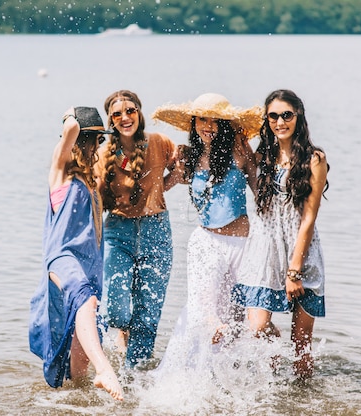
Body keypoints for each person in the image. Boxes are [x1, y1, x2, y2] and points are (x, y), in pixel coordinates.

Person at [151, 93, 262, 371]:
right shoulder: (188, 158)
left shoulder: (240, 150)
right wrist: (164, 161)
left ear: (225, 124)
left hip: (242, 245)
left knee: (238, 318)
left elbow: (261, 193)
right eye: (202, 119)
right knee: (206, 314)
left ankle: (231, 377)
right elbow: (160, 188)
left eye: (215, 120)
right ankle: (191, 373)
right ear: (194, 123)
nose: (208, 126)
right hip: (206, 243)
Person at [232, 89, 329, 378]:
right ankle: (272, 388)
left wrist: (294, 270)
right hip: (266, 249)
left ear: (298, 117)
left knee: (301, 344)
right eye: (273, 116)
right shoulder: (263, 154)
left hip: (301, 251)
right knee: (257, 327)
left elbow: (309, 218)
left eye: (286, 115)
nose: (280, 121)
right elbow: (261, 196)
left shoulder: (314, 159)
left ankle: (302, 400)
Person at [29, 106, 124, 401]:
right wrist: (71, 117)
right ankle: (105, 370)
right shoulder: (59, 173)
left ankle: (74, 399)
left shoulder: (89, 181)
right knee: (84, 298)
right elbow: (70, 131)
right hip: (63, 259)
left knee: (79, 360)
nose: (96, 148)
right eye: (94, 140)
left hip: (90, 266)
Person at [94, 90, 177, 369]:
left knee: (148, 312)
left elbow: (183, 168)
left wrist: (164, 186)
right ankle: (122, 334)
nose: (125, 117)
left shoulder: (158, 142)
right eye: (117, 114)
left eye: (130, 110)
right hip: (118, 231)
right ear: (110, 119)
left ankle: (134, 378)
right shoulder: (105, 153)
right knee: (116, 310)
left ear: (139, 112)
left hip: (157, 230)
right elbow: (94, 199)